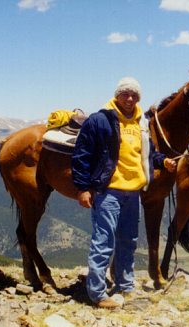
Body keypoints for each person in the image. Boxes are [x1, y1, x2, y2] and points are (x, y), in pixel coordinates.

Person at [72, 77, 177, 309]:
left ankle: (125, 285)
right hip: (108, 191)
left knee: (128, 241)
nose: (129, 99)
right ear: (117, 95)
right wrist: (82, 189)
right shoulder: (100, 120)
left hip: (133, 192)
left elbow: (145, 154)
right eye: (125, 94)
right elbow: (82, 156)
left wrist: (163, 161)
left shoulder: (140, 124)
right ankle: (97, 293)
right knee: (104, 241)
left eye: (134, 95)